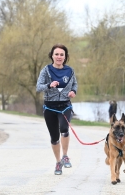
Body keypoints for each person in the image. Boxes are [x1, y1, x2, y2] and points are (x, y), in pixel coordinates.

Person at [36, 44, 78, 175]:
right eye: (57, 54)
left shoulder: (70, 71)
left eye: (62, 54)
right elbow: (38, 87)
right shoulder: (46, 70)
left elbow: (75, 84)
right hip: (50, 107)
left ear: (65, 57)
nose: (59, 57)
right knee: (54, 137)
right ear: (52, 56)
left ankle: (65, 155)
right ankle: (58, 162)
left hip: (65, 105)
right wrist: (49, 85)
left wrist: (73, 91)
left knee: (64, 128)